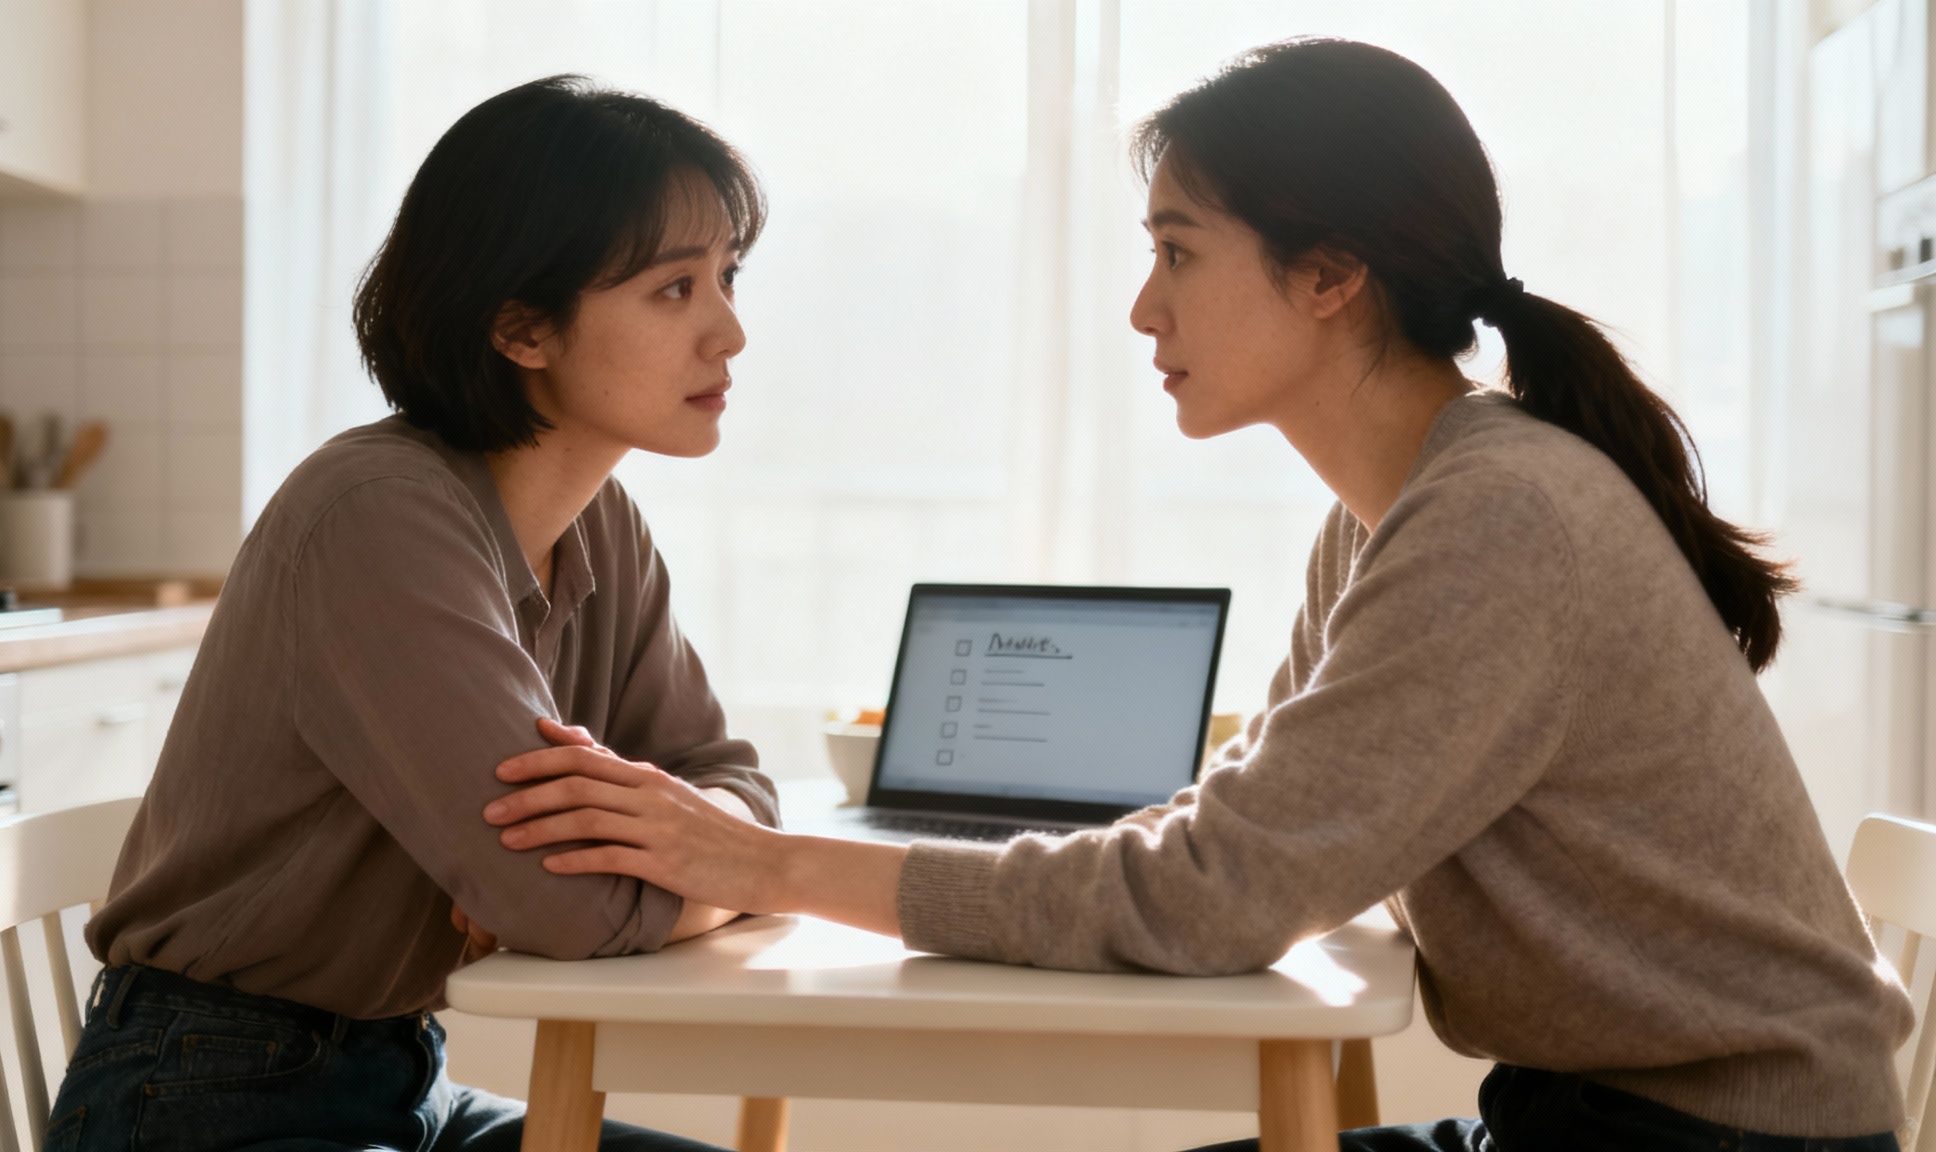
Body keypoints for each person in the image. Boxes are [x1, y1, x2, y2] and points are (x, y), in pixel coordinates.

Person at [474, 40, 1914, 1151]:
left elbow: (1219, 892)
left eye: (1176, 252)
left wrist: (769, 866)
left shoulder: (1499, 521)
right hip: (1599, 1119)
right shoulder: (1394, 517)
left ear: (1332, 275)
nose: (1142, 308)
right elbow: (1245, 827)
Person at [43, 76, 771, 1152]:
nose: (731, 333)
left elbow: (725, 774)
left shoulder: (600, 521)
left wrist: (697, 852)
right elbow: (560, 909)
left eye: (727, 277)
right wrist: (722, 872)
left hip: (404, 1080)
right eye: (673, 289)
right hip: (210, 1099)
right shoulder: (377, 517)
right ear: (521, 328)